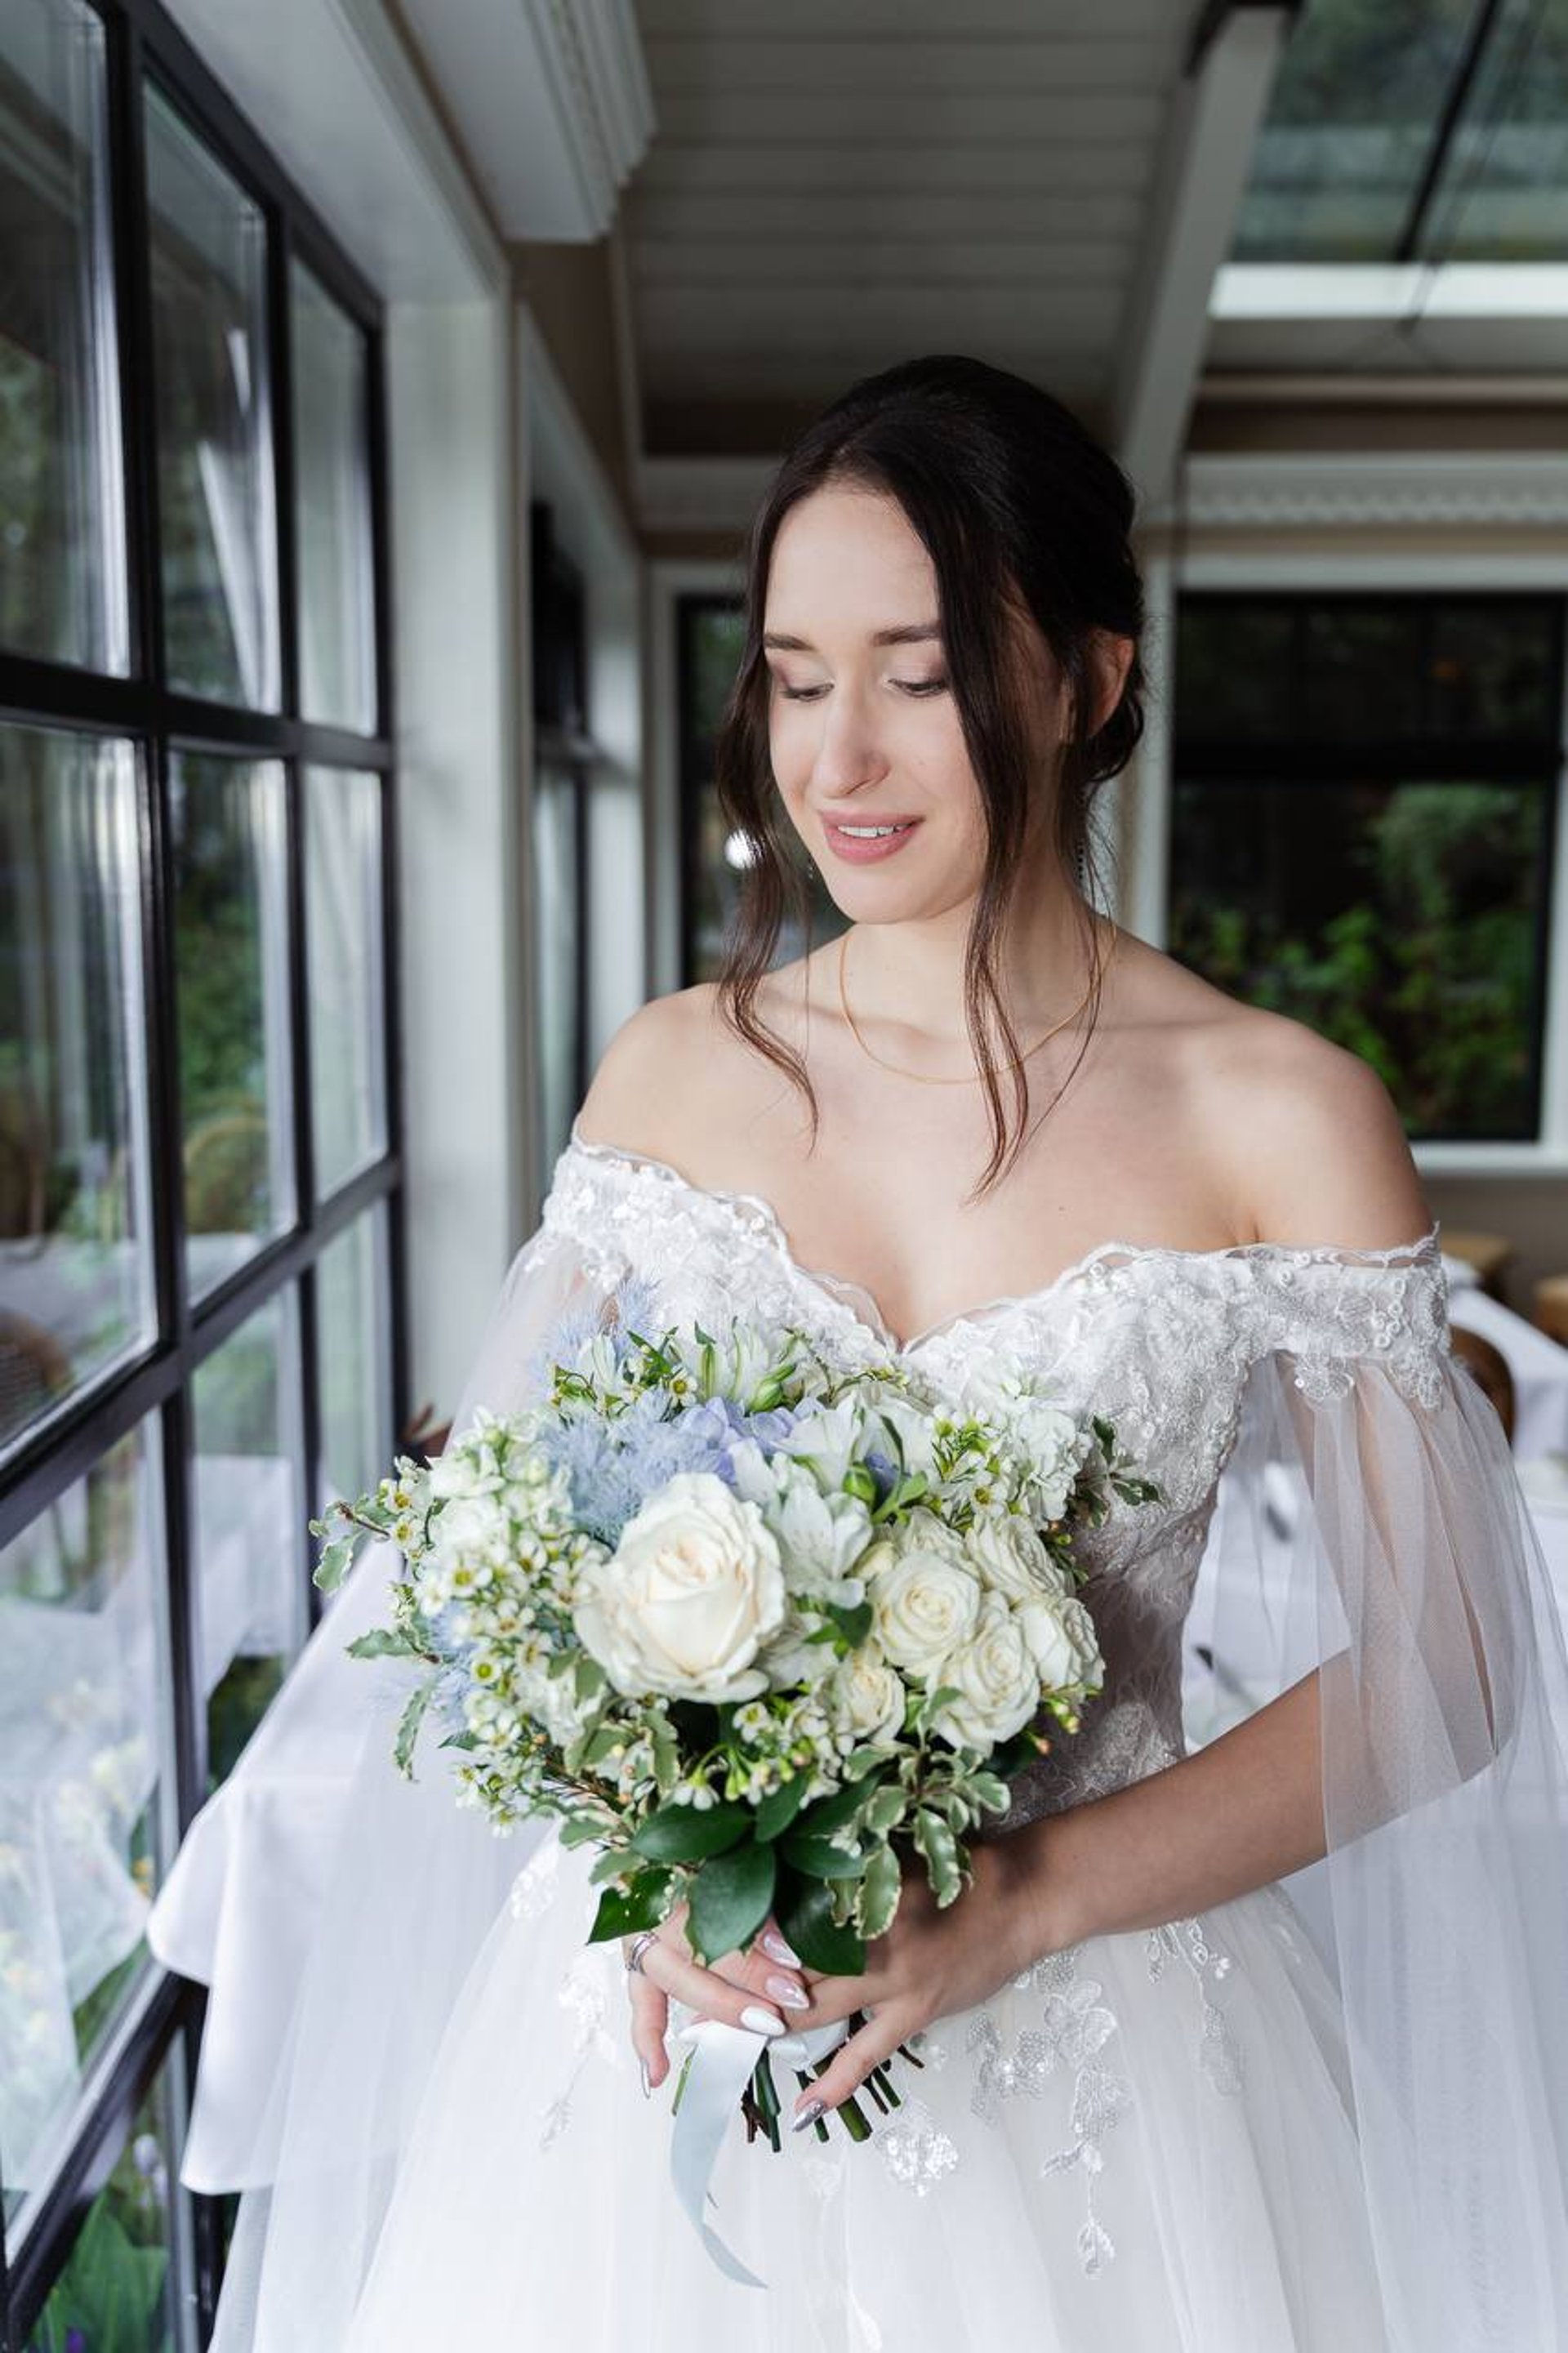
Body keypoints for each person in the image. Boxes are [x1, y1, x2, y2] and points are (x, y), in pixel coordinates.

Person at [208, 355, 1568, 2350]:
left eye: (919, 675)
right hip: (665, 2033)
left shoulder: (1280, 1113)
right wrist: (643, 1843)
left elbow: (1449, 1665)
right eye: (791, 673)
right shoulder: (677, 1074)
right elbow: (507, 1571)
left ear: (1090, 680)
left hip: (1111, 2055)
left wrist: (1028, 1897)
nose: (835, 756)